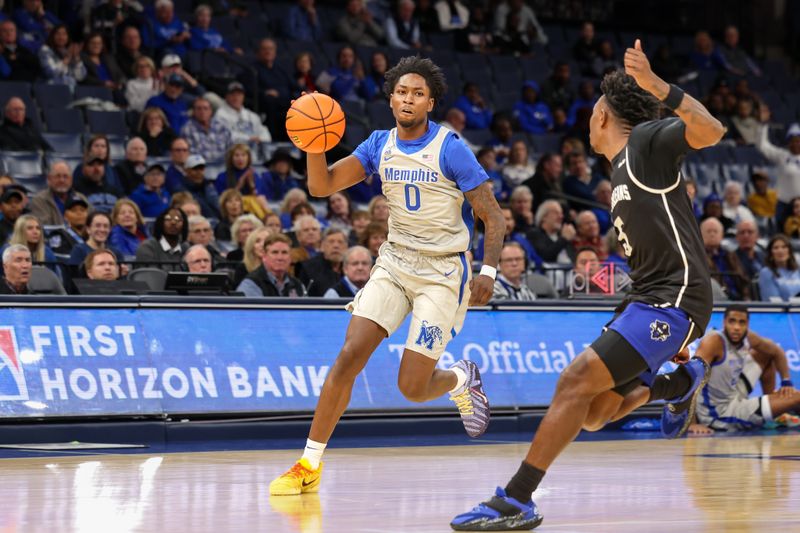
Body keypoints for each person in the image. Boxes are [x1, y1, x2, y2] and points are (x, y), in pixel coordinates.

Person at [452, 41, 724, 530]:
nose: (587, 120)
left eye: (592, 111)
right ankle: (681, 383)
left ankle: (515, 499)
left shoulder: (644, 145)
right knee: (598, 411)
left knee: (573, 382)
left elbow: (711, 130)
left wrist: (659, 87)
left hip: (673, 297)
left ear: (602, 115)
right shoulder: (620, 167)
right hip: (645, 297)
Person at [270, 56, 503, 496]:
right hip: (395, 262)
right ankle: (308, 463)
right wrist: (313, 141)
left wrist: (488, 270)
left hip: (441, 271)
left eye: (417, 93)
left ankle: (460, 379)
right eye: (401, 91)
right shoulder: (379, 144)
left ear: (430, 102)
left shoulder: (450, 148)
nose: (408, 98)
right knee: (349, 355)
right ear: (391, 98)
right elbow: (322, 187)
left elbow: (492, 215)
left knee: (412, 387)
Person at [693, 305, 800, 432]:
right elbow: (690, 379)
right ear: (724, 322)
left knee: (766, 353)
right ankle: (770, 413)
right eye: (732, 321)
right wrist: (692, 424)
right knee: (796, 398)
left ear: (747, 324)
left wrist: (786, 381)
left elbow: (777, 352)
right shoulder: (713, 342)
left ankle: (771, 414)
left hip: (735, 392)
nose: (736, 327)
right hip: (719, 413)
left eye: (741, 322)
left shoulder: (749, 338)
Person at [755, 109, 800, 225]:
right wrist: (763, 125)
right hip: (783, 204)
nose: (795, 144)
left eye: (798, 141)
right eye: (792, 141)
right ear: (788, 142)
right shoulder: (782, 156)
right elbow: (762, 146)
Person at [236, 233, 307, 297]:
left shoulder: (298, 285)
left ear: (290, 257)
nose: (280, 258)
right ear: (264, 256)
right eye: (275, 252)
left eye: (284, 252)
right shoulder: (251, 284)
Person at [214, 144, 269, 218]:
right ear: (231, 158)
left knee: (259, 199)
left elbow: (258, 195)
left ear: (248, 158)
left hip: (253, 209)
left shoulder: (254, 175)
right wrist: (240, 183)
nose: (240, 159)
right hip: (232, 209)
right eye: (237, 155)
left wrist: (251, 184)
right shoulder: (222, 177)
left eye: (243, 155)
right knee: (249, 201)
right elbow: (224, 200)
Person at [29, 162, 89, 226]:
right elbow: (43, 227)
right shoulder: (39, 200)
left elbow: (91, 220)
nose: (62, 180)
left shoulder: (81, 198)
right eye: (57, 176)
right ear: (49, 179)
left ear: (71, 180)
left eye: (65, 176)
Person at [214, 81, 272, 148]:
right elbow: (224, 136)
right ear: (226, 96)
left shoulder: (251, 115)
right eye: (232, 94)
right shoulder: (220, 114)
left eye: (239, 94)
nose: (236, 98)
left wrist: (261, 139)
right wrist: (248, 139)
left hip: (252, 151)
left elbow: (263, 131)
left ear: (243, 96)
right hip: (232, 152)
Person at [295, 228, 347, 296]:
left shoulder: (352, 268)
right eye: (331, 242)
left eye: (340, 242)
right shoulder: (308, 269)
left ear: (346, 247)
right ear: (322, 246)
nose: (336, 246)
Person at [181, 96, 233, 162]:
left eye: (205, 108)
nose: (202, 111)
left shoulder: (222, 126)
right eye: (199, 109)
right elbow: (191, 155)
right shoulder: (187, 129)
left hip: (223, 165)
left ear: (211, 111)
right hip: (200, 167)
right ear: (194, 111)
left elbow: (231, 149)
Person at [38, 24, 86, 91]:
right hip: (51, 89)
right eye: (58, 34)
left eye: (64, 34)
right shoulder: (45, 50)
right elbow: (51, 72)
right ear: (52, 36)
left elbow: (80, 77)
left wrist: (76, 58)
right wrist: (66, 59)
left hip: (71, 90)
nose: (61, 37)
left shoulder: (68, 51)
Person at [757, 234, 800, 302]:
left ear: (789, 251)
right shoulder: (766, 273)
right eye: (776, 248)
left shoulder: (798, 270)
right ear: (771, 253)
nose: (780, 251)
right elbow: (774, 302)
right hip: (781, 311)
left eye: (784, 247)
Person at [177, 154, 221, 219]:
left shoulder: (209, 186)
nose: (199, 172)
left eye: (201, 169)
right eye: (195, 169)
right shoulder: (181, 190)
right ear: (186, 171)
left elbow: (218, 206)